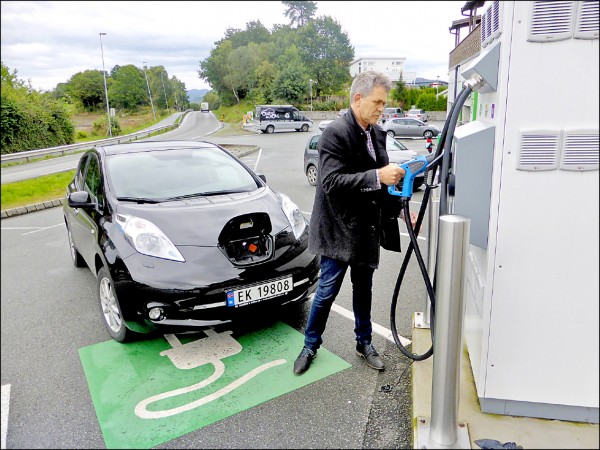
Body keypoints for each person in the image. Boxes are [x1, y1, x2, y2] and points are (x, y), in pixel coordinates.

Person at [293, 70, 417, 375]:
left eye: (384, 103)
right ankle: (310, 345)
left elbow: (384, 186)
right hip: (337, 230)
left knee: (364, 290)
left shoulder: (377, 134)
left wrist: (402, 210)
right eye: (377, 102)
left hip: (365, 230)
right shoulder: (335, 133)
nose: (381, 109)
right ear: (358, 98)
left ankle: (364, 343)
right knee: (326, 291)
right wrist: (378, 175)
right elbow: (332, 182)